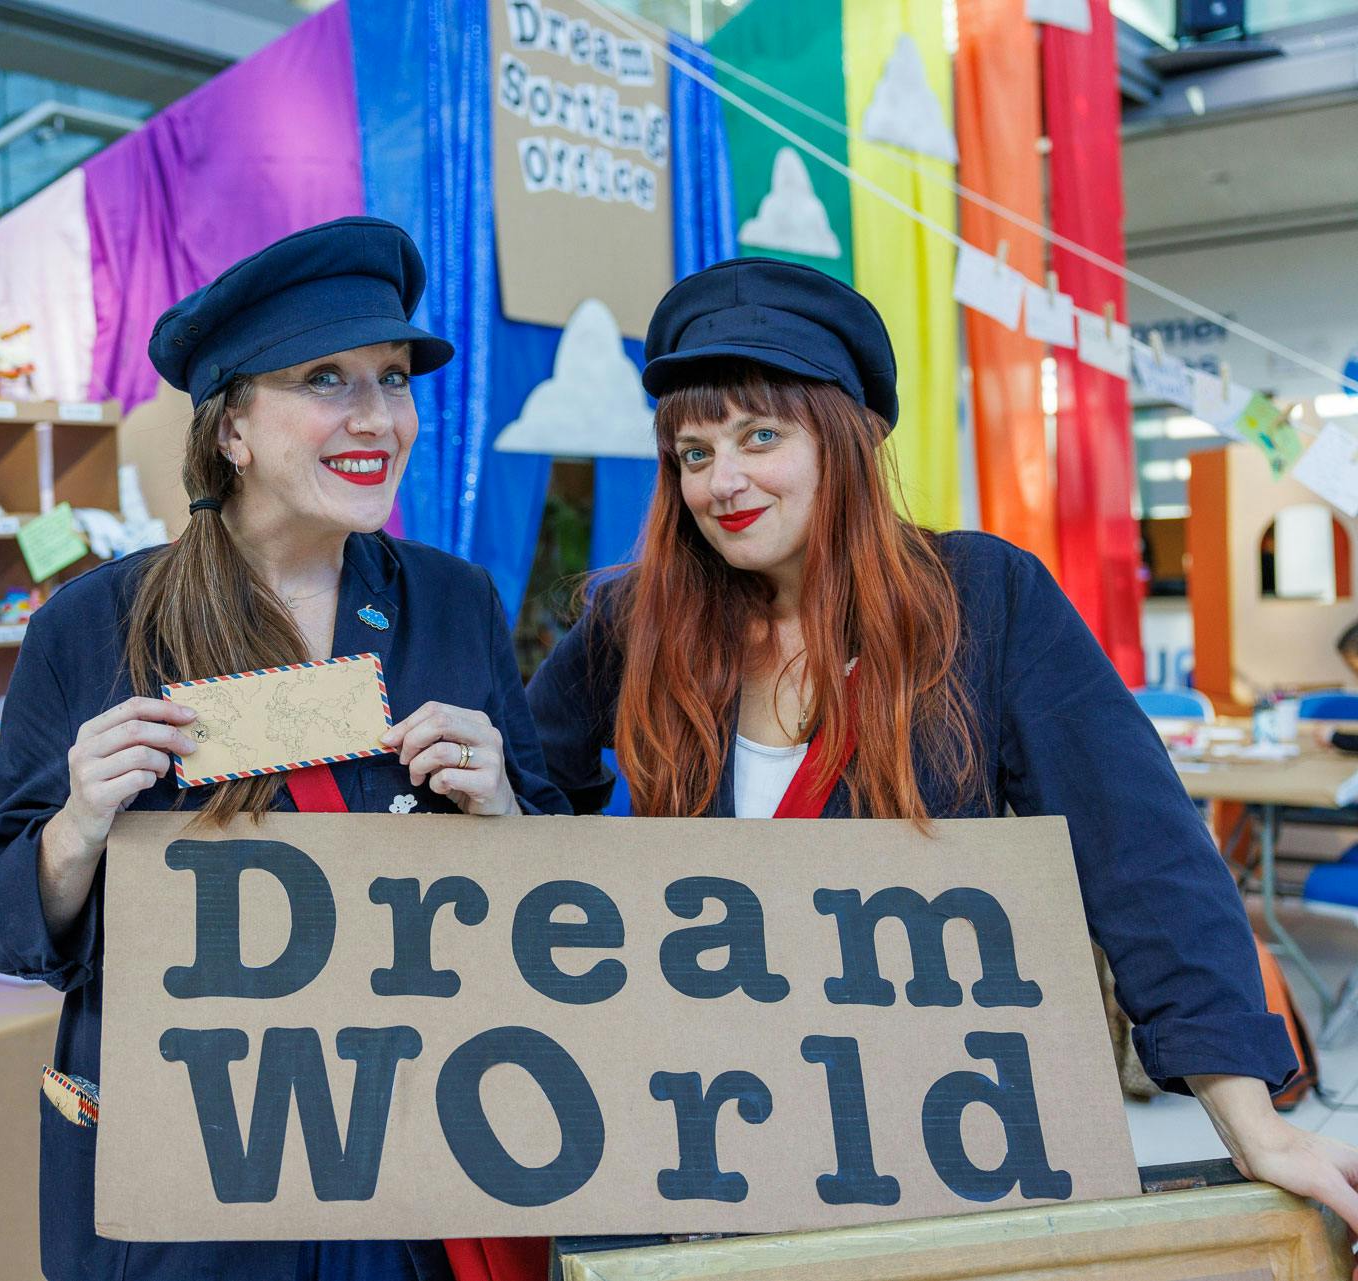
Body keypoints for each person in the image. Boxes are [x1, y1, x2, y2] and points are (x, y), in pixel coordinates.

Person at [526, 257, 1358, 1229]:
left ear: (847, 438)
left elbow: (1142, 858)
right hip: (707, 1123)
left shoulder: (980, 601)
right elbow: (531, 795)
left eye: (761, 436)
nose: (724, 480)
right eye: (694, 452)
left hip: (936, 1130)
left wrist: (1250, 1119)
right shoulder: (642, 619)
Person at [0, 216, 565, 1281]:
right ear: (231, 429)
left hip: (417, 1170)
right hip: (197, 1197)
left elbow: (558, 889)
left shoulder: (454, 605)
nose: (379, 417)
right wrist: (78, 826)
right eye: (328, 379)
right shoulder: (95, 628)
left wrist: (505, 805)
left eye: (394, 378)